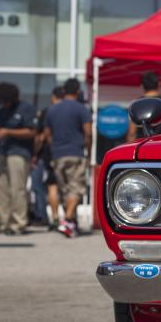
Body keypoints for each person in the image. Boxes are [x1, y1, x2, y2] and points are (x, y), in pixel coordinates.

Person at [44, 78, 91, 238]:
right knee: (76, 188)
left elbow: (47, 134)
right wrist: (88, 152)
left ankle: (70, 224)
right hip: (75, 153)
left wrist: (54, 148)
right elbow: (88, 133)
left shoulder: (52, 110)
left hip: (58, 154)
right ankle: (68, 220)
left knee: (65, 190)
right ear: (78, 92)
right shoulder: (81, 109)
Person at [0, 82, 36, 235]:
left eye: (6, 101)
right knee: (1, 190)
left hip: (19, 153)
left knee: (18, 189)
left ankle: (19, 224)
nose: (4, 104)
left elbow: (31, 132)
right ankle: (4, 223)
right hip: (3, 153)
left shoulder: (26, 109)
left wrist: (8, 132)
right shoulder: (1, 112)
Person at [32, 86, 64, 229]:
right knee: (68, 187)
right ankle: (70, 217)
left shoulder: (48, 111)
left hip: (51, 154)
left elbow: (42, 136)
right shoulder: (75, 109)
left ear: (53, 97)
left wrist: (35, 154)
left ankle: (54, 217)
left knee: (51, 186)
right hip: (71, 152)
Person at [126, 71, 161, 141]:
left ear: (142, 85)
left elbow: (132, 133)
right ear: (159, 84)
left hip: (143, 145)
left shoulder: (135, 104)